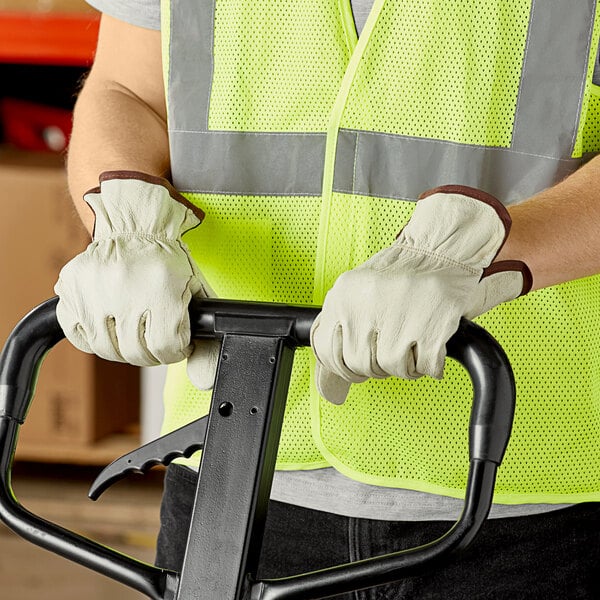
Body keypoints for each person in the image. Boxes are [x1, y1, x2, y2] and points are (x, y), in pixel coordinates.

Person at [56, 1, 600, 598]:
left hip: (539, 492)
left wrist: (487, 251)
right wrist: (123, 219)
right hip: (233, 468)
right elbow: (128, 89)